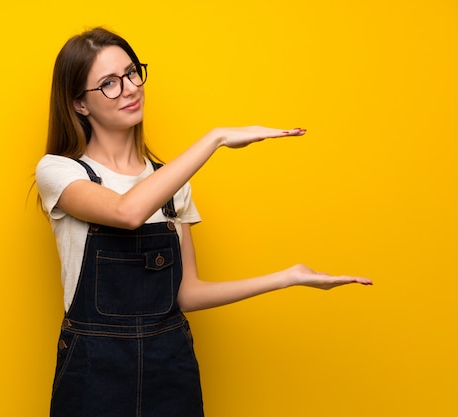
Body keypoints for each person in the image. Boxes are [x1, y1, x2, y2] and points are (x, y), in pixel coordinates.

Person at [35, 27, 372, 417]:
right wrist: (215, 138)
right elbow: (126, 212)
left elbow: (187, 295)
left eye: (131, 73)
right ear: (79, 105)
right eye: (108, 83)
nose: (129, 88)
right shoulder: (60, 171)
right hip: (96, 368)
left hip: (170, 365)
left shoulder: (174, 184)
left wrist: (288, 277)